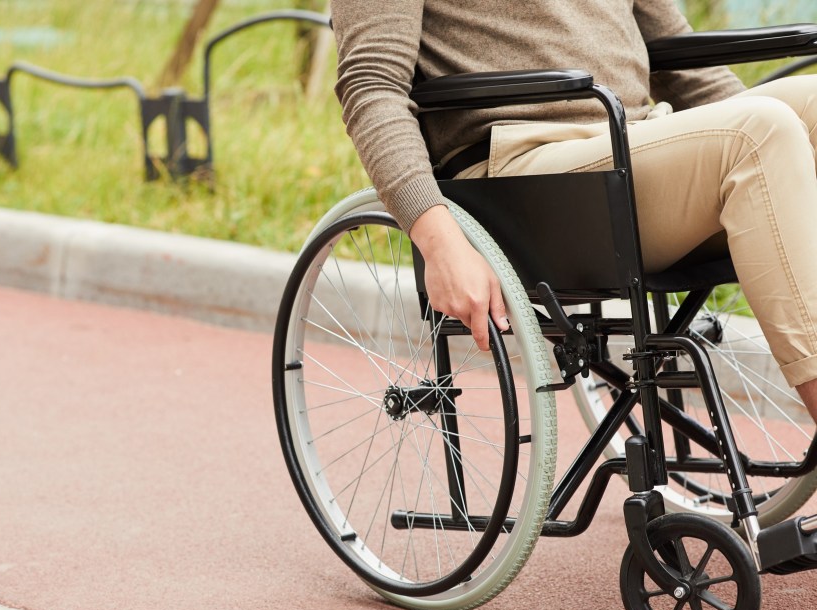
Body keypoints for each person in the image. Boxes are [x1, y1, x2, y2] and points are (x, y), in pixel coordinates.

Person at [330, 0, 817, 419]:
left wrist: (790, 153)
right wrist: (437, 239)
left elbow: (684, 63)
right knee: (762, 133)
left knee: (800, 113)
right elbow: (371, 86)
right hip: (522, 168)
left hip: (634, 137)